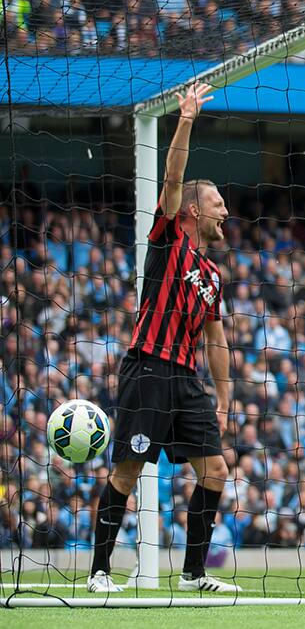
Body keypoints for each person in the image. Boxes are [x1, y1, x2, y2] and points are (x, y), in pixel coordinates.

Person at [88, 83, 241, 594]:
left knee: (216, 470)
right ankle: (99, 572)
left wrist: (223, 395)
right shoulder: (168, 237)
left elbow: (216, 339)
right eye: (218, 204)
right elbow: (174, 177)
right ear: (194, 211)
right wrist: (187, 119)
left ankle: (195, 572)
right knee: (128, 471)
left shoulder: (214, 275)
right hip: (147, 368)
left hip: (187, 380)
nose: (226, 212)